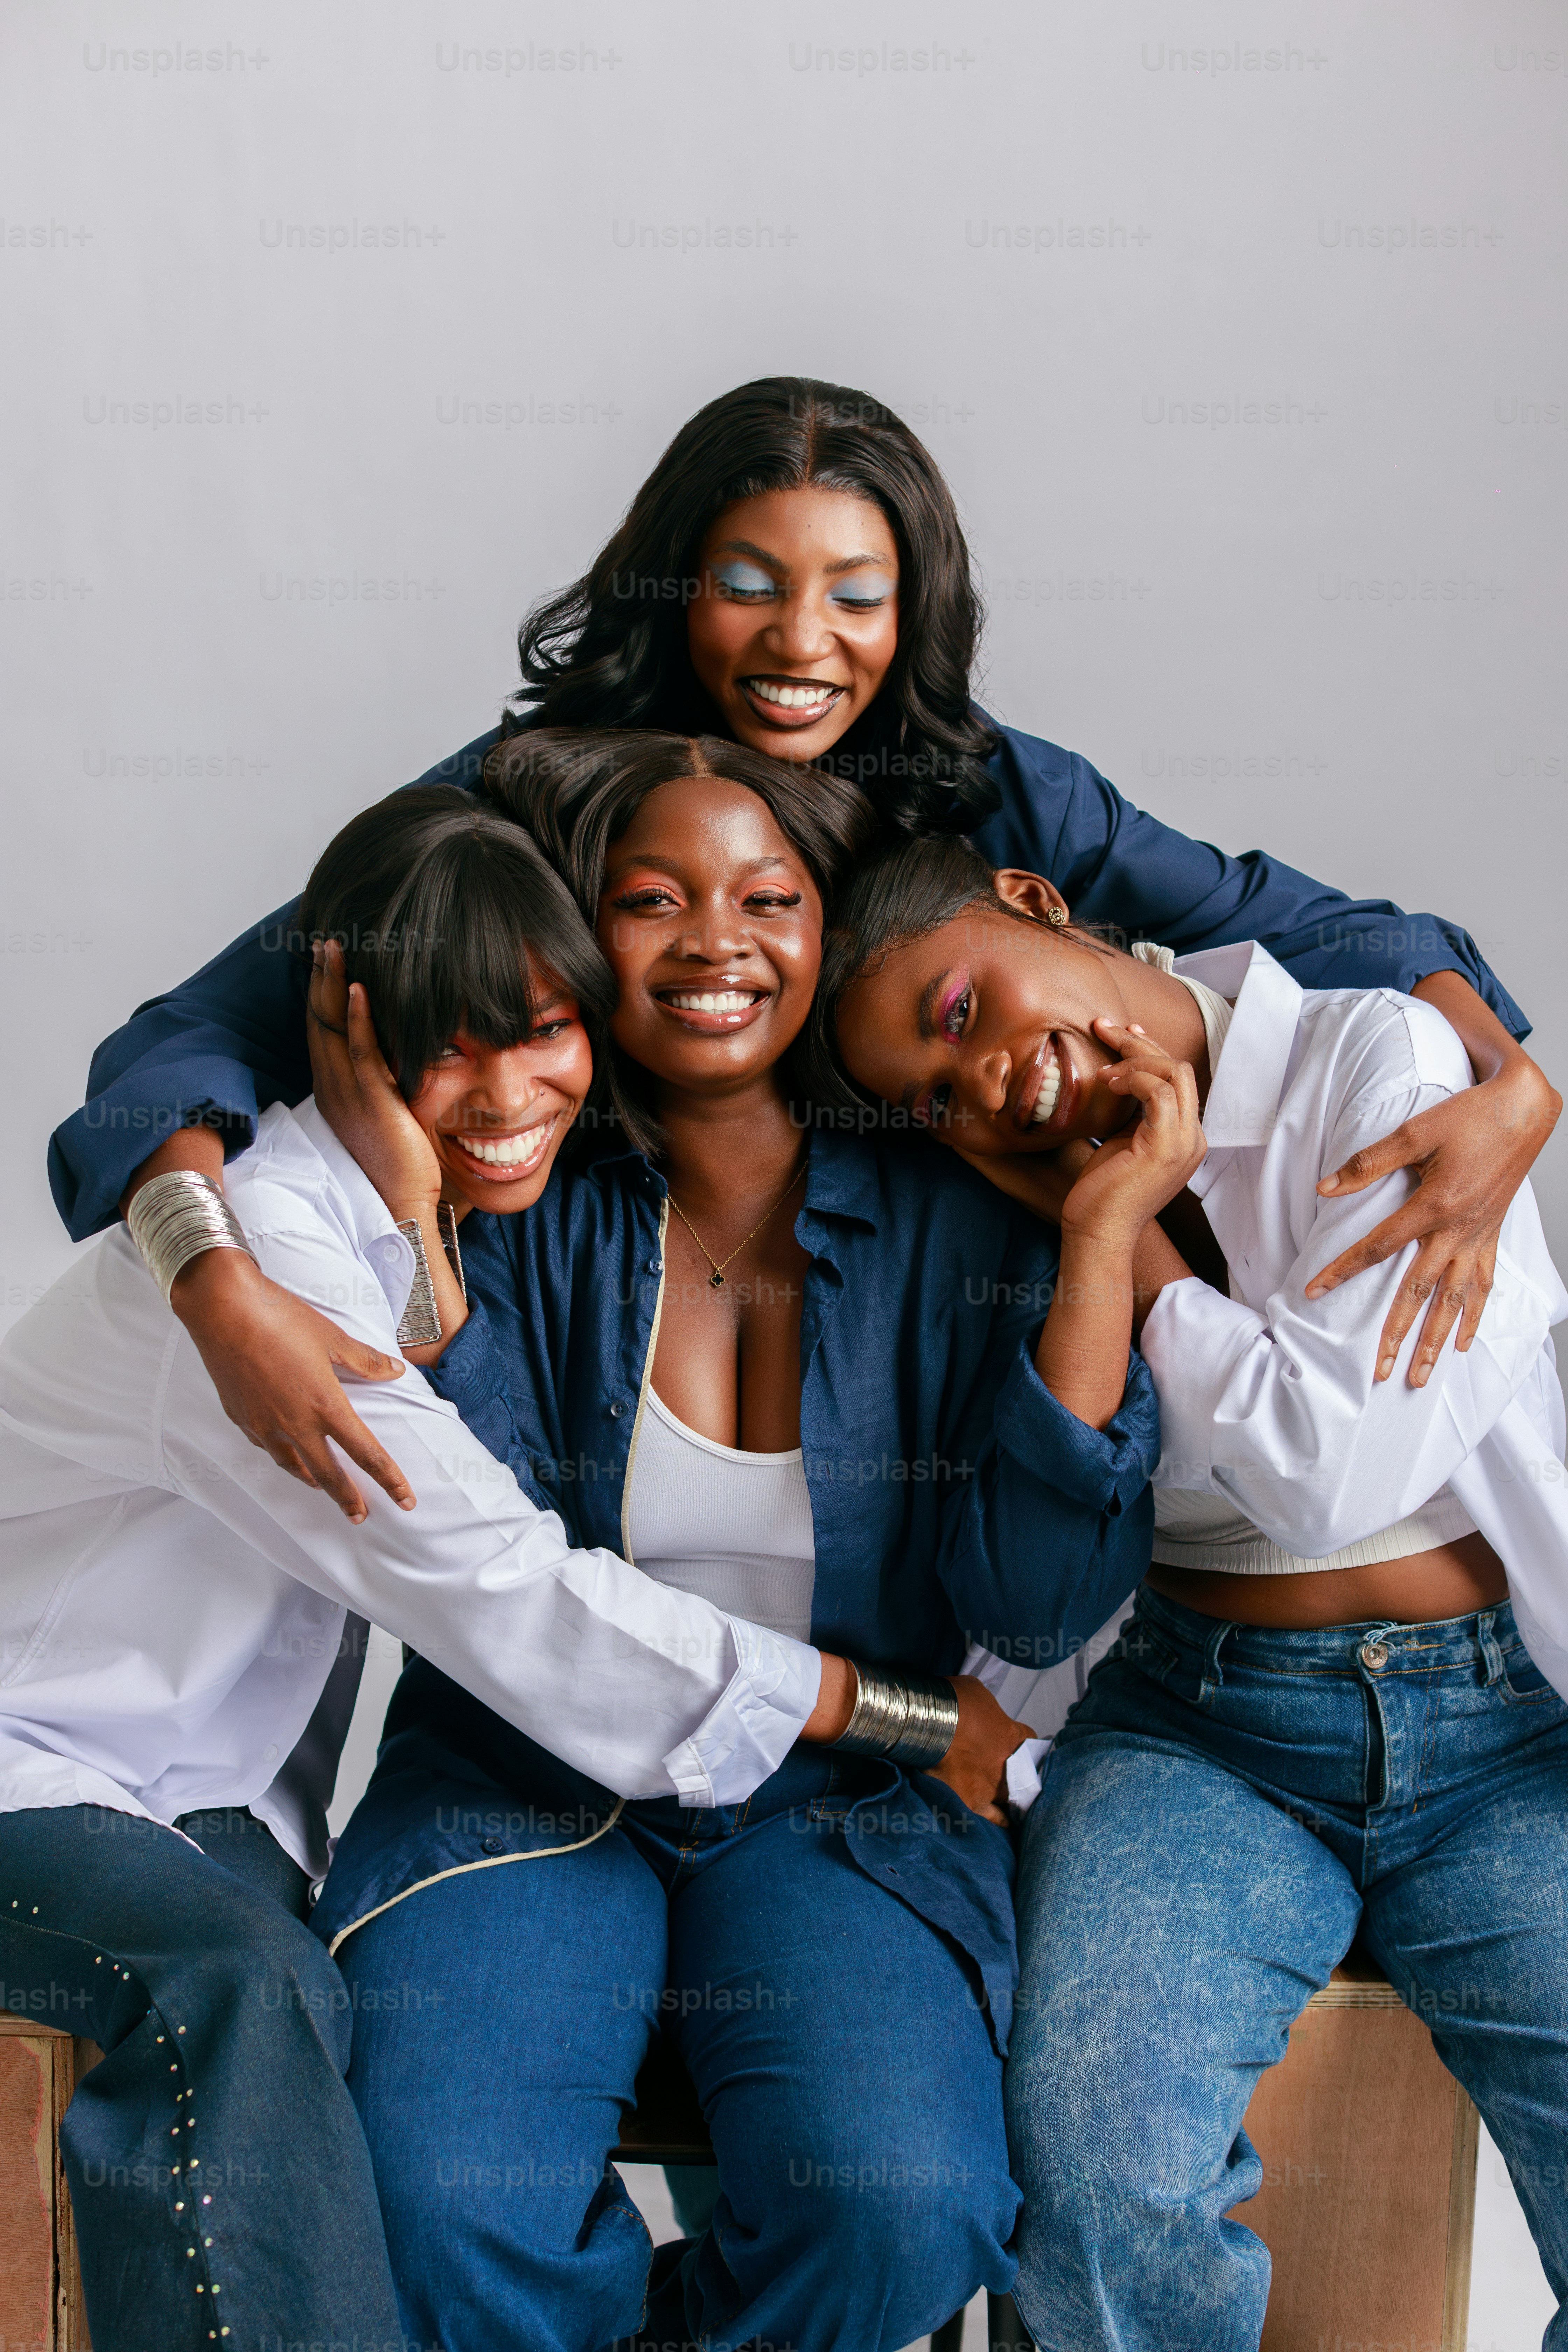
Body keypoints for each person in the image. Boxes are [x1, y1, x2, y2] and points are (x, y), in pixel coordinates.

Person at [45, 378, 1557, 1523]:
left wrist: (1509, 1081)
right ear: (669, 582)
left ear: (913, 611)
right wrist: (217, 1284)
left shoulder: (995, 790)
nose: (801, 643)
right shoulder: (528, 795)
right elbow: (175, 1049)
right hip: (582, 1334)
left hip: (916, 1350)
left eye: (856, 594)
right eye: (750, 583)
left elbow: (1310, 922)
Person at [301, 729, 1191, 2352]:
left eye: (768, 897)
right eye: (653, 900)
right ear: (585, 938)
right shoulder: (526, 1179)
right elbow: (463, 1540)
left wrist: (1098, 1242)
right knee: (436, 2205)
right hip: (529, 1777)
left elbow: (1039, 1598)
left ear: (822, 931)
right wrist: (413, 1204)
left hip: (844, 1809)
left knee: (897, 2210)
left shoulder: (957, 1197)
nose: (718, 940)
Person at [0, 784, 898, 2352]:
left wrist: (418, 1218)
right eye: (449, 1045)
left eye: (546, 1030)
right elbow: (504, 1591)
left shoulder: (382, 1235)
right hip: (28, 1764)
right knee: (241, 1993)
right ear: (343, 1030)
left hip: (187, 1784)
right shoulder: (264, 1261)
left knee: (329, 2044)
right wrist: (883, 1712)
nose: (507, 1091)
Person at [817, 831, 1568, 2351]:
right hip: (1197, 1730)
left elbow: (1324, 1466)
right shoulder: (995, 1212)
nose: (987, 1090)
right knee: (1095, 2184)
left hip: (1502, 1731)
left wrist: (1140, 1242)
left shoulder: (1383, 1054)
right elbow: (1030, 1585)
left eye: (963, 1013)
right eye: (936, 1098)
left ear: (1029, 902)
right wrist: (1087, 1230)